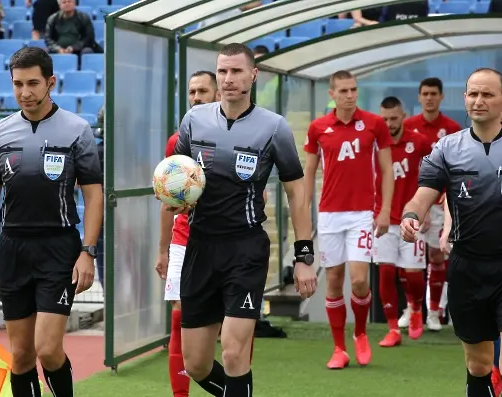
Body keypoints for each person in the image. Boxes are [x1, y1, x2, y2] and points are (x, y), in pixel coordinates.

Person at [400, 67, 502, 397]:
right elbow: (424, 194)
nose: (479, 101)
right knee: (478, 366)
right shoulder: (446, 148)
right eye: (473, 94)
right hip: (466, 269)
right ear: (464, 98)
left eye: (487, 94)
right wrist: (410, 216)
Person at [168, 43, 317, 397]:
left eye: (236, 71)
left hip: (245, 248)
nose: (228, 79)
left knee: (234, 352)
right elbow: (175, 174)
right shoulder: (195, 119)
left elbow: (297, 194)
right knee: (197, 363)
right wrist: (174, 198)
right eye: (222, 71)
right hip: (199, 246)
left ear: (253, 74)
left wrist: (304, 257)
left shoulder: (274, 127)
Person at [0, 47, 103, 397]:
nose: (25, 92)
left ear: (51, 82)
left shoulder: (77, 130)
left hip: (59, 249)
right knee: (21, 357)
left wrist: (88, 251)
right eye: (18, 84)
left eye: (33, 83)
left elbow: (94, 195)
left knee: (48, 349)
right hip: (13, 250)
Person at [303, 69, 394, 369]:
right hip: (329, 214)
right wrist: (303, 208)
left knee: (358, 280)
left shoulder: (375, 124)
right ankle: (339, 348)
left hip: (361, 214)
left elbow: (387, 171)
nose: (350, 95)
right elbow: (309, 172)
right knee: (333, 280)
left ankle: (360, 333)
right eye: (343, 91)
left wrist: (384, 211)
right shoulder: (318, 128)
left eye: (353, 89)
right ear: (332, 95)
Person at [156, 71, 219, 397]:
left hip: (226, 240)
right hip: (185, 239)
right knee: (179, 316)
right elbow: (167, 199)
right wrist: (163, 250)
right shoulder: (176, 140)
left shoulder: (235, 136)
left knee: (230, 326)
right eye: (192, 92)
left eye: (203, 91)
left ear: (217, 94)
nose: (196, 97)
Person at [403, 77, 461, 331]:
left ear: (441, 97)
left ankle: (434, 312)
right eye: (424, 93)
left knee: (437, 255)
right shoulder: (407, 127)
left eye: (433, 93)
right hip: (414, 202)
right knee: (411, 258)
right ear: (419, 97)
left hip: (441, 202)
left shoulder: (452, 128)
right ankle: (412, 307)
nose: (429, 98)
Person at [373, 96, 431, 347]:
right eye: (384, 119)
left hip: (411, 218)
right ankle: (393, 328)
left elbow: (435, 174)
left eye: (394, 118)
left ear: (403, 116)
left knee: (413, 274)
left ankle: (416, 309)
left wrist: (427, 208)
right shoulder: (374, 145)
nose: (389, 123)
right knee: (386, 271)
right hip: (382, 218)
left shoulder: (418, 142)